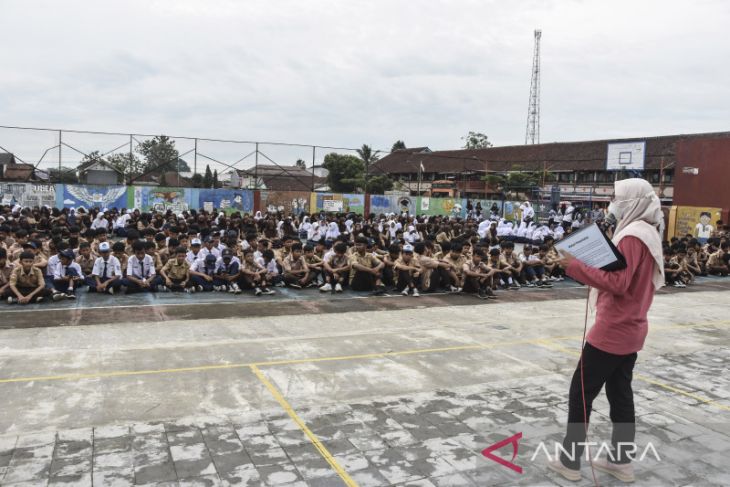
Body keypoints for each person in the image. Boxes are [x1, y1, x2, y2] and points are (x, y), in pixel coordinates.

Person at [549, 178, 665, 483]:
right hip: (633, 327)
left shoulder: (632, 236)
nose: (613, 201)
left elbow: (618, 283)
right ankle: (621, 462)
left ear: (633, 201)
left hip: (613, 330)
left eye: (618, 197)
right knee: (620, 395)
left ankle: (570, 462)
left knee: (580, 394)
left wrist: (574, 265)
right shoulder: (649, 232)